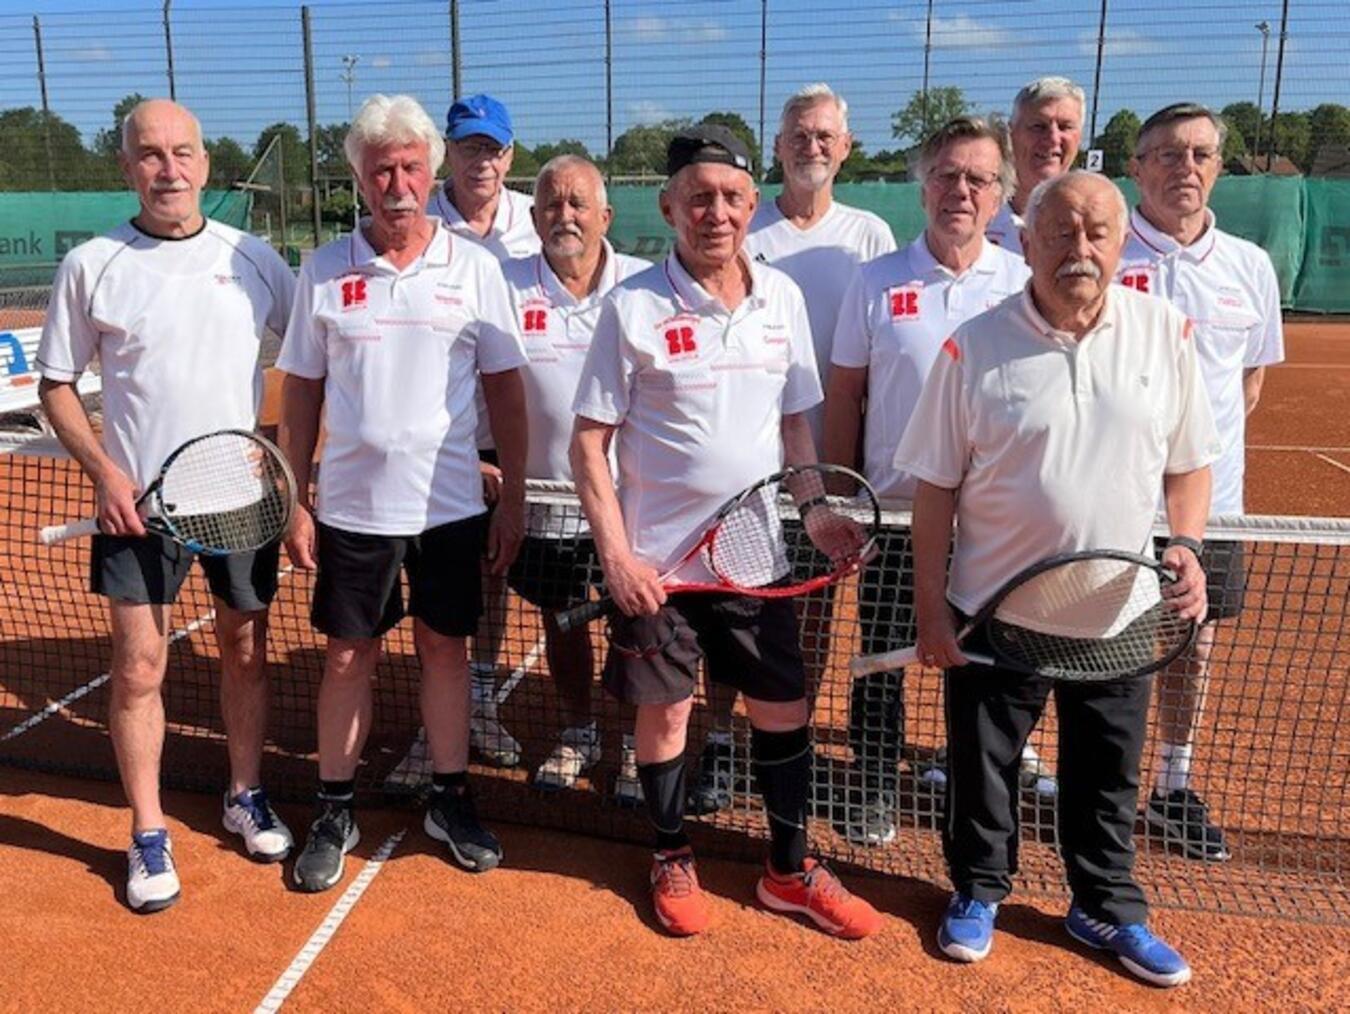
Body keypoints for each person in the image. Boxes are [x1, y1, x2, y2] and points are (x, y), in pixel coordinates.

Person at [897, 171, 1219, 986]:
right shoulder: (972, 344)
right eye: (1062, 232)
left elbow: (1190, 466)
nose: (1080, 247)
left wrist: (1183, 542)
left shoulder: (1166, 333)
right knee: (983, 767)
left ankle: (1105, 905)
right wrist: (932, 612)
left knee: (1106, 773)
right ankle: (977, 890)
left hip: (1120, 615)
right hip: (994, 610)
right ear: (1027, 240)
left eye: (1097, 231)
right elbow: (934, 492)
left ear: (1119, 240)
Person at [569, 125, 882, 939]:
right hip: (658, 569)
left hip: (753, 558)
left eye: (733, 198)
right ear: (670, 205)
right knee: (667, 715)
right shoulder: (631, 306)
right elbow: (588, 441)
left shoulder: (781, 299)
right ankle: (671, 851)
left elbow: (797, 429)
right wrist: (617, 556)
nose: (717, 212)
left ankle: (787, 868)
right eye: (699, 197)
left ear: (753, 205)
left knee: (782, 705)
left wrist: (815, 510)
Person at [36, 98, 296, 913]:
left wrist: (286, 466)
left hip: (238, 500)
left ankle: (243, 793)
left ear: (206, 164)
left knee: (245, 650)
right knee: (140, 665)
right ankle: (148, 830)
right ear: (126, 166)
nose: (169, 170)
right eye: (150, 155)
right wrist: (106, 474)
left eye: (183, 153)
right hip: (137, 507)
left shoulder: (254, 257)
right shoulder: (93, 264)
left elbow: (313, 360)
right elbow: (56, 387)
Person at [277, 94, 526, 892]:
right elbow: (301, 393)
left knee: (445, 649)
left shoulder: (476, 269)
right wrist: (295, 497)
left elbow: (506, 389)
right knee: (349, 655)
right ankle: (333, 806)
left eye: (410, 165)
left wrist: (514, 495)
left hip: (450, 508)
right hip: (351, 510)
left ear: (430, 170)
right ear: (359, 175)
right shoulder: (322, 269)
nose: (397, 182)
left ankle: (449, 799)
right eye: (380, 167)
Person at [682, 83, 898, 818]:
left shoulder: (869, 236)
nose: (812, 146)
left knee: (808, 618)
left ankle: (787, 745)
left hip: (822, 463)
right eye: (798, 135)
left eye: (825, 135)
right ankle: (716, 739)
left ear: (846, 145)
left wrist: (831, 474)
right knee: (726, 610)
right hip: (741, 465)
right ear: (778, 148)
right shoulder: (746, 226)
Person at [822, 116, 1030, 846]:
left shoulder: (1021, 282)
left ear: (1002, 195)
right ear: (924, 187)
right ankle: (874, 787)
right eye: (946, 175)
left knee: (983, 675)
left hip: (993, 528)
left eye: (978, 179)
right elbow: (846, 393)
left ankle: (969, 798)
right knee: (881, 663)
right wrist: (842, 499)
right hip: (898, 518)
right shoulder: (876, 281)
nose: (961, 191)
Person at [1123, 102, 1285, 862]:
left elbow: (1246, 385)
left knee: (1192, 644)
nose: (1183, 167)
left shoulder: (1250, 266)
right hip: (1107, 504)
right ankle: (1072, 773)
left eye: (1199, 153)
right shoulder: (1098, 243)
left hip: (1210, 509)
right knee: (1090, 640)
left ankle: (1173, 786)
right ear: (1137, 166)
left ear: (1219, 165)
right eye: (1166, 154)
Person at [499, 154, 647, 794]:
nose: (566, 216)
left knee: (637, 626)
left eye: (578, 203)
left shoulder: (646, 287)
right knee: (561, 621)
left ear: (605, 216)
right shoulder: (503, 286)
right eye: (552, 204)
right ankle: (579, 731)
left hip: (634, 501)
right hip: (547, 501)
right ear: (533, 219)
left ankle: (640, 749)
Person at [430, 93, 541, 769]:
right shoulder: (420, 219)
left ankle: (480, 699)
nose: (483, 161)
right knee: (440, 573)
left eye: (493, 149)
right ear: (449, 151)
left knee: (494, 570)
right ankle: (436, 713)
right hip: (439, 435)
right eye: (470, 147)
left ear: (509, 154)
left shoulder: (537, 219)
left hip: (507, 427)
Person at [985, 76, 1084, 255]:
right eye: (1038, 126)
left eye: (1065, 127)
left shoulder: (1097, 230)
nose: (1053, 138)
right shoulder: (977, 221)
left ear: (1080, 138)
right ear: (1012, 133)